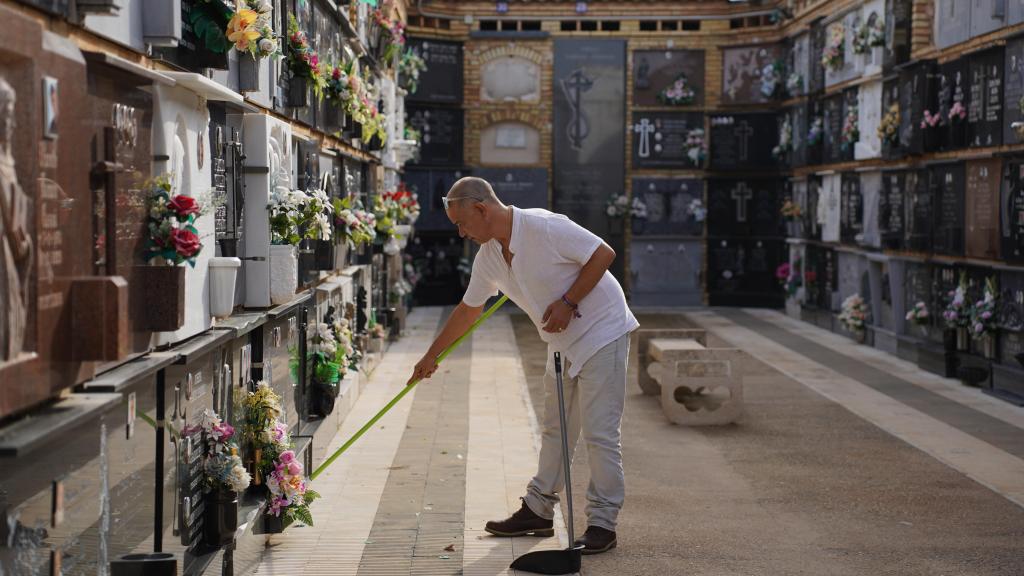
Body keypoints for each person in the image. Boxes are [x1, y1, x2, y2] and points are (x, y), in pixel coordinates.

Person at [407, 177, 638, 555]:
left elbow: (603, 253)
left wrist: (568, 302)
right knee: (556, 428)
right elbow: (469, 309)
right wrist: (432, 355)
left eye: (462, 223)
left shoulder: (545, 226)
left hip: (603, 331)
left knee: (599, 434)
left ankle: (602, 524)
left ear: (482, 209)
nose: (462, 233)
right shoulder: (489, 257)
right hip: (561, 341)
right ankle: (538, 510)